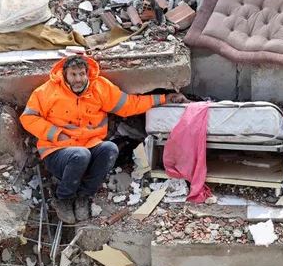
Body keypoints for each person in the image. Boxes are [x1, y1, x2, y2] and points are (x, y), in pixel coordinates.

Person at [20, 55, 188, 223]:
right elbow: (28, 118)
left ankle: (83, 196)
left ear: (87, 73)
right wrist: (56, 134)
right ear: (65, 74)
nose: (78, 79)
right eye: (73, 74)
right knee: (81, 155)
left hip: (89, 147)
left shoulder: (99, 87)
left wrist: (165, 98)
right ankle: (64, 198)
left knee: (110, 149)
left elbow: (129, 105)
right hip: (57, 151)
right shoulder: (46, 91)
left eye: (81, 74)